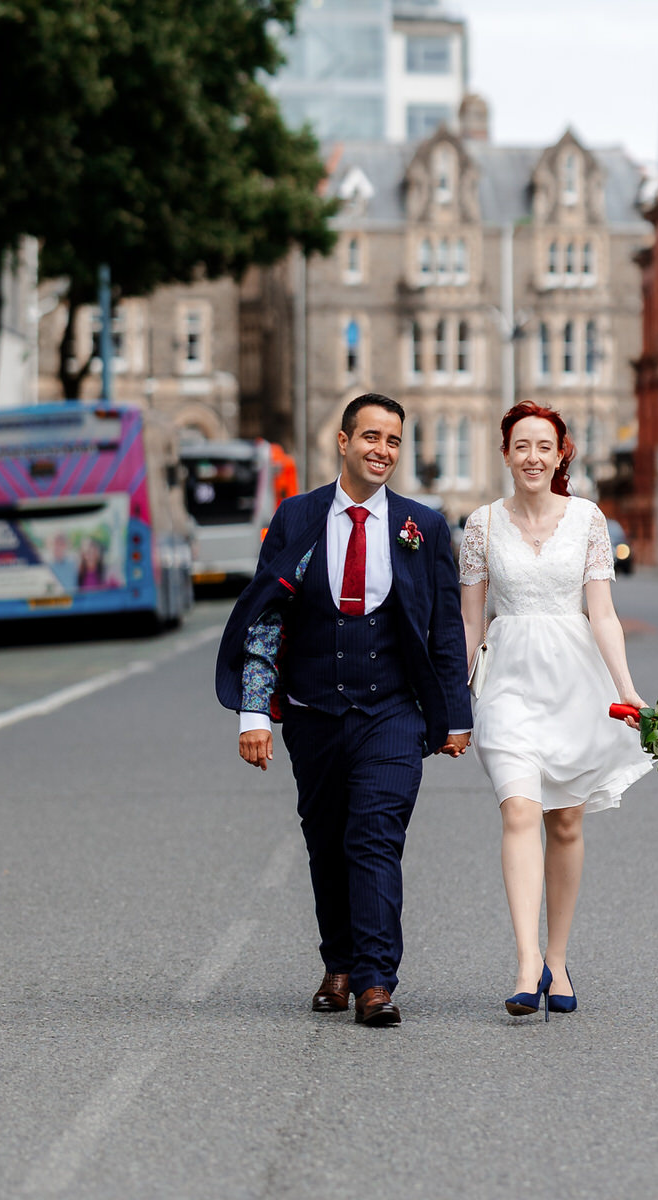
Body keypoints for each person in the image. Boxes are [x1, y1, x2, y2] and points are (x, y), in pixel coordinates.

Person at [215, 393, 472, 1028]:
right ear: (343, 440)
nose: (382, 451)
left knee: (375, 838)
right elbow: (263, 617)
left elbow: (444, 629)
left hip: (393, 711)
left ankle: (376, 981)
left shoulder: (424, 526)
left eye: (393, 441)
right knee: (327, 840)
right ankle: (340, 962)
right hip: (312, 710)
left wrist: (455, 715)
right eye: (371, 438)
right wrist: (254, 714)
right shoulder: (295, 518)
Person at [459, 401, 651, 1018]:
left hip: (576, 683)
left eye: (544, 446)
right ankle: (524, 961)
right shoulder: (480, 525)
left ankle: (558, 958)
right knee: (519, 809)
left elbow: (603, 615)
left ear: (561, 452)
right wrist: (456, 702)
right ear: (505, 454)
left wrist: (628, 688)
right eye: (521, 446)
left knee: (565, 824)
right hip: (508, 682)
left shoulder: (589, 520)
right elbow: (470, 621)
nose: (532, 457)